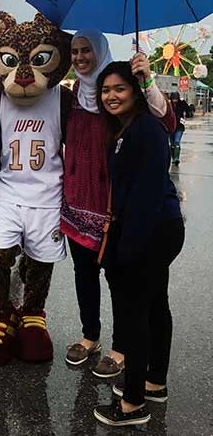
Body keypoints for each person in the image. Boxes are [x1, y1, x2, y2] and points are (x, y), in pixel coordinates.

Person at [61, 29, 175, 377]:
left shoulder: (121, 89)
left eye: (86, 51)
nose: (80, 57)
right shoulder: (74, 92)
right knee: (84, 275)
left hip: (112, 207)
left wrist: (147, 80)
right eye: (75, 51)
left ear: (101, 51)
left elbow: (166, 122)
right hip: (76, 204)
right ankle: (90, 335)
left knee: (120, 280)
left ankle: (122, 346)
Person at [93, 61, 184, 427]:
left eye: (119, 89)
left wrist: (126, 251)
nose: (111, 96)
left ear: (135, 91)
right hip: (156, 227)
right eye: (105, 90)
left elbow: (144, 196)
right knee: (154, 306)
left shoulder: (145, 130)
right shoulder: (128, 129)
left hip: (149, 230)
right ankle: (153, 382)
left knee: (134, 313)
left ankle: (132, 405)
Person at [168, 92, 190, 166]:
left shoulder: (181, 104)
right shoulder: (168, 105)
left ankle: (176, 158)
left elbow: (188, 109)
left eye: (176, 99)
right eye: (173, 99)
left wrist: (183, 101)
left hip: (179, 126)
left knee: (177, 141)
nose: (175, 101)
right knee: (172, 143)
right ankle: (173, 158)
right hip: (170, 126)